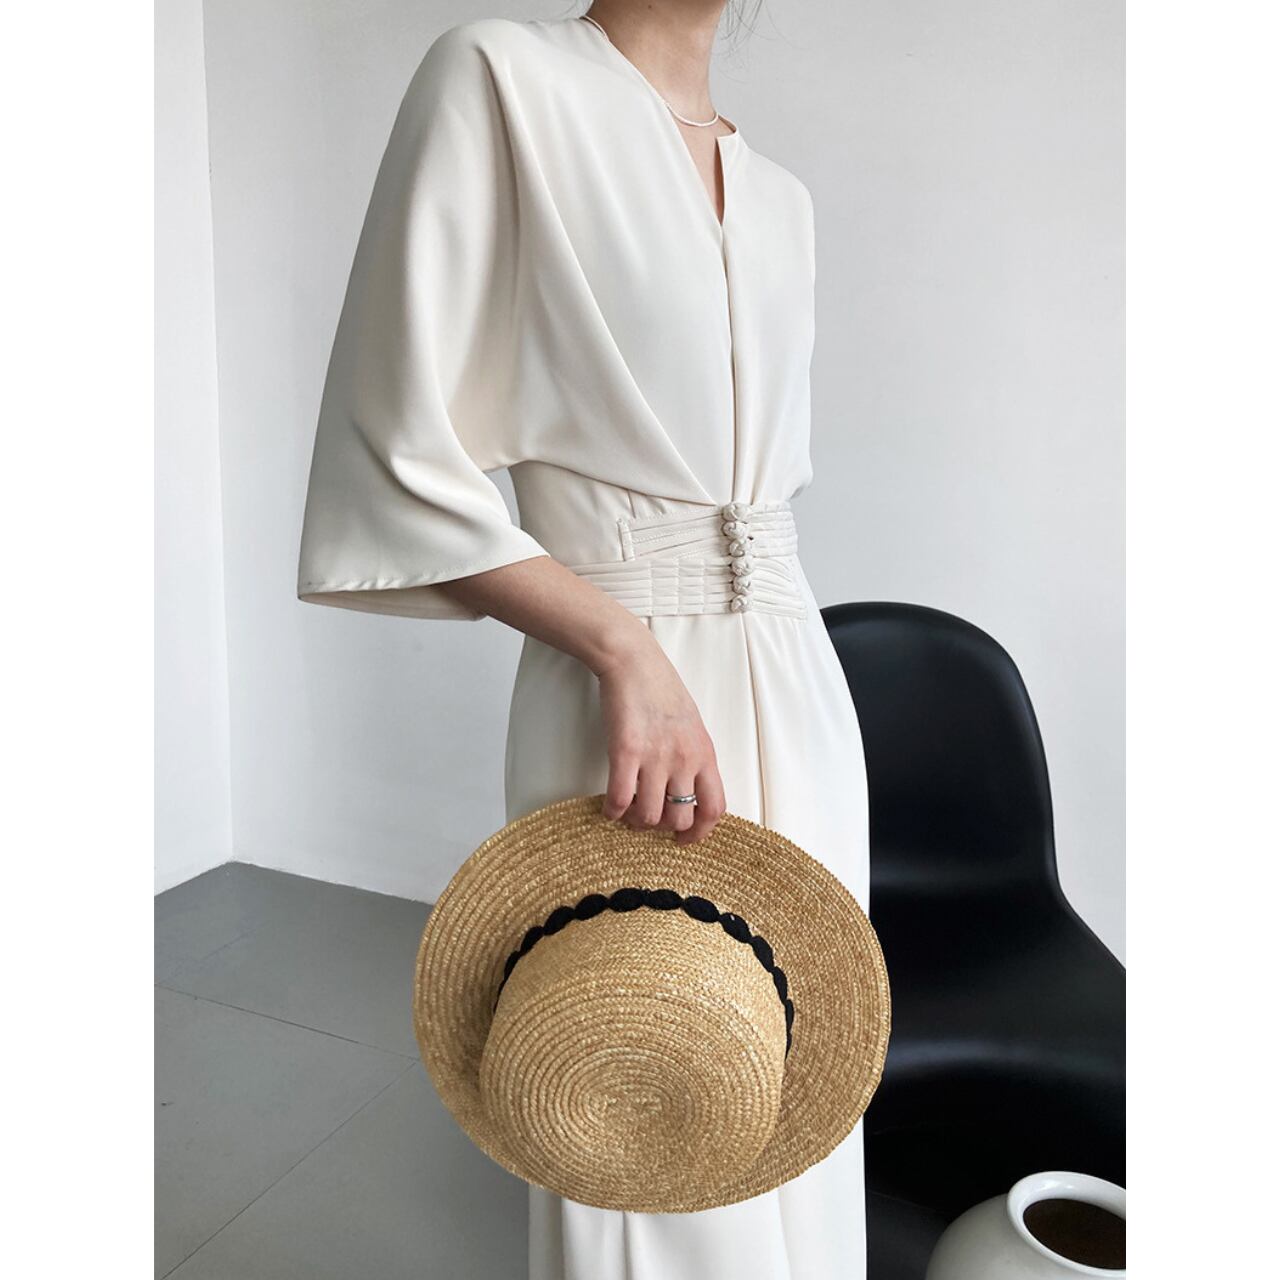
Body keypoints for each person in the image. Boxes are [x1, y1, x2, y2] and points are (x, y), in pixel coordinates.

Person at [296, 3, 871, 1277]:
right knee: (640, 1106)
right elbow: (391, 455)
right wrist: (621, 648)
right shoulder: (500, 78)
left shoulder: (781, 199)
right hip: (627, 691)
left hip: (797, 683)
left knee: (793, 1089)